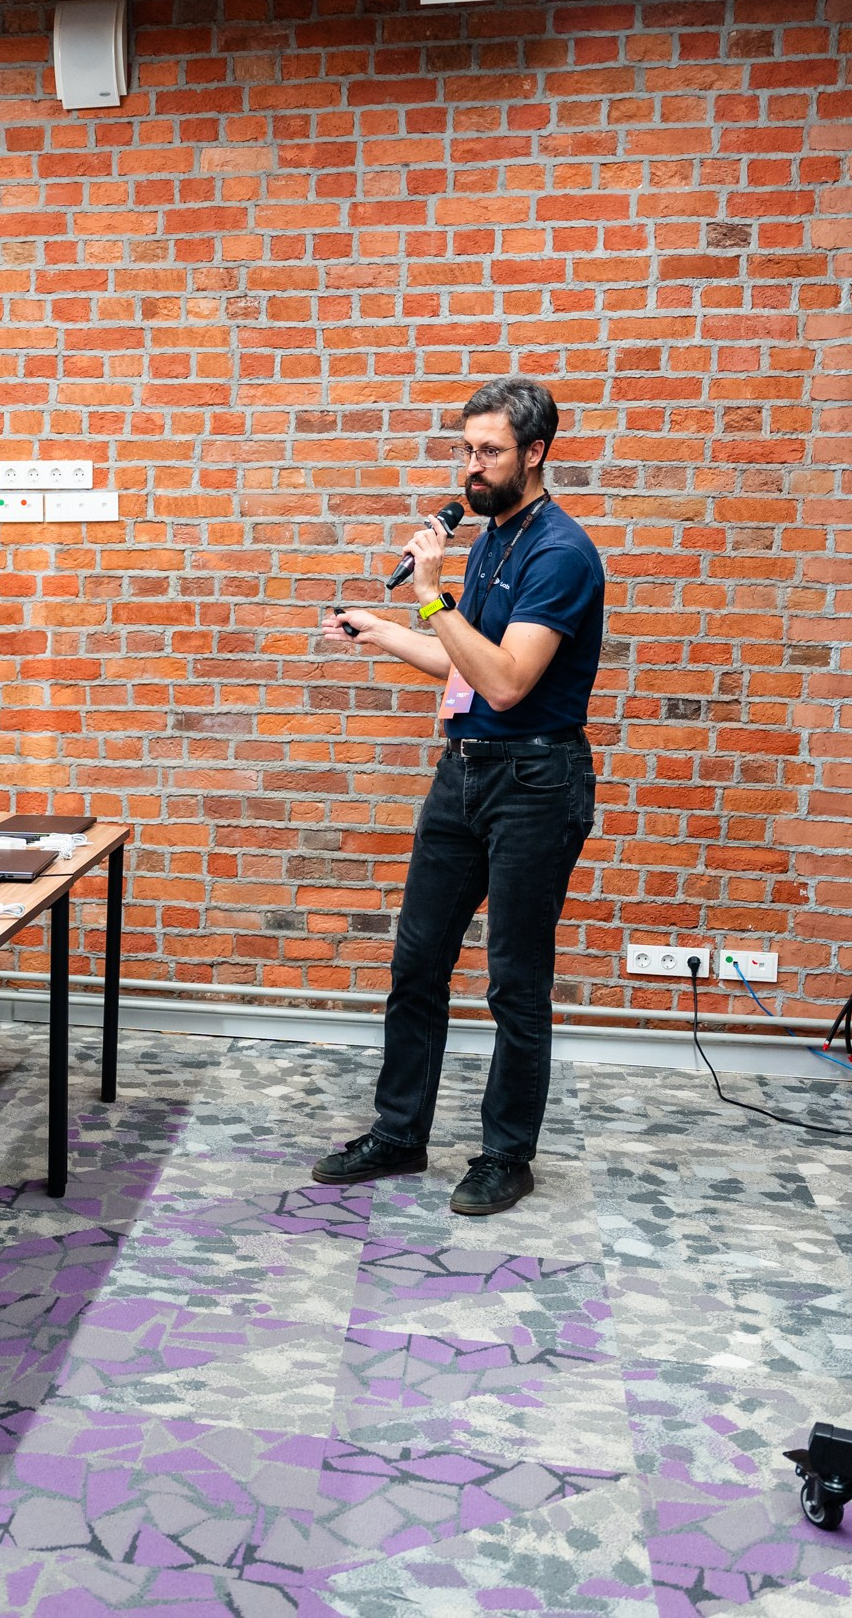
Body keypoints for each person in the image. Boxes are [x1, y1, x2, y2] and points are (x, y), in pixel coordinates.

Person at [316, 377, 605, 1216]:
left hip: (536, 783)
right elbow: (462, 661)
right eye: (466, 449)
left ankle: (505, 1155)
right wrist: (382, 628)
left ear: (535, 453)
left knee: (515, 980)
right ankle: (399, 1133)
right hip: (465, 772)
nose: (472, 467)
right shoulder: (489, 544)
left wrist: (431, 596)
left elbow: (507, 682)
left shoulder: (560, 553)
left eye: (490, 451)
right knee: (416, 963)